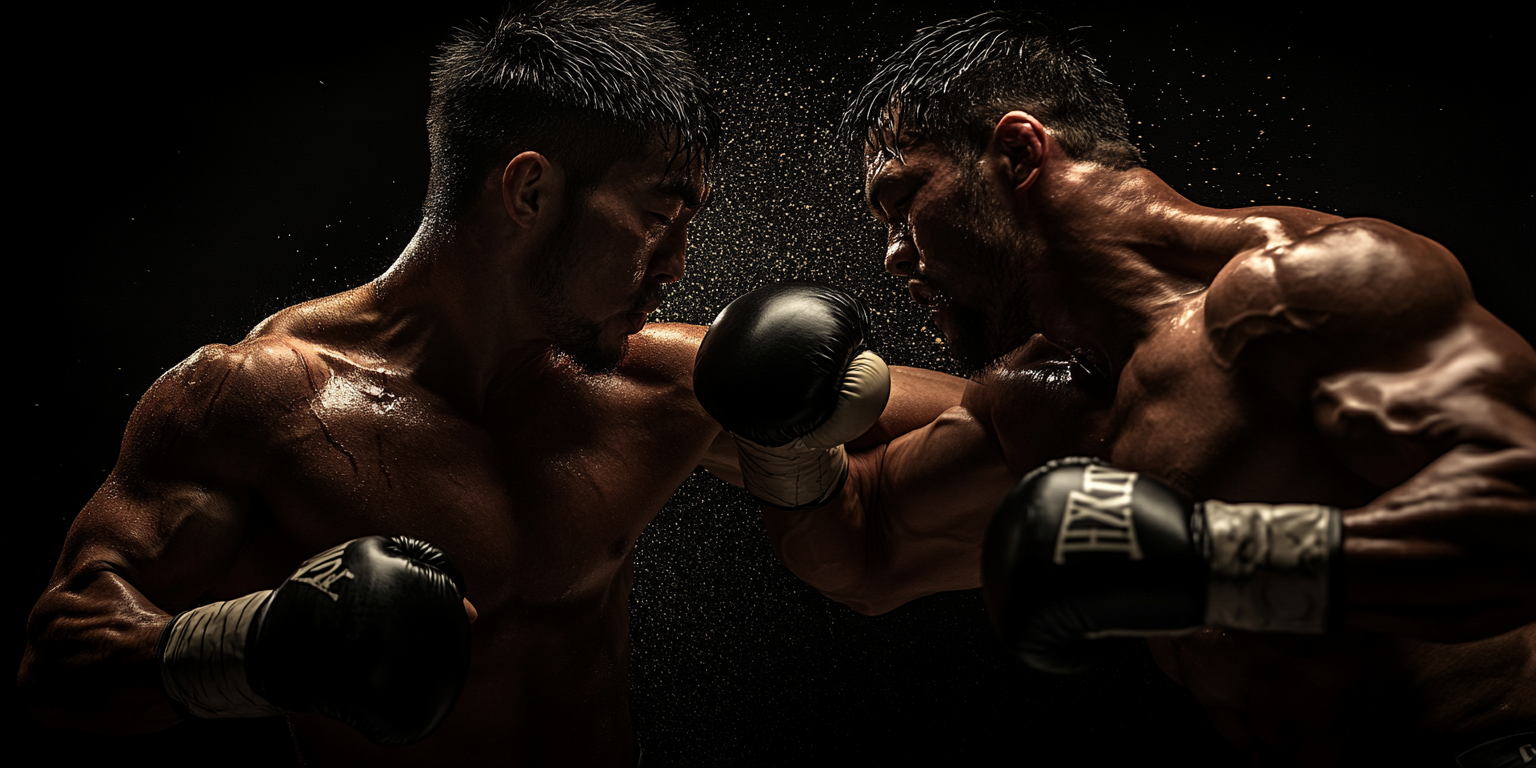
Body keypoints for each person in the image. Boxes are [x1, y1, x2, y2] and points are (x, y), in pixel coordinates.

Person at [694, 12, 1535, 766]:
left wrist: (1208, 563)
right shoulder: (1036, 394)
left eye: (901, 201)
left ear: (1019, 152)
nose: (894, 257)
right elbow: (869, 551)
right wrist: (787, 443)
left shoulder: (1303, 287)